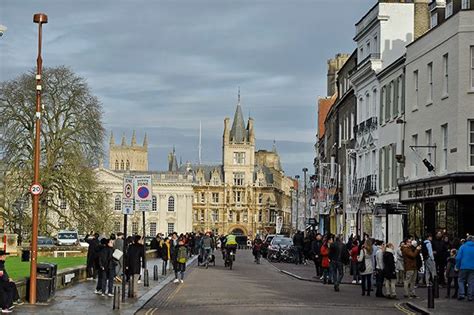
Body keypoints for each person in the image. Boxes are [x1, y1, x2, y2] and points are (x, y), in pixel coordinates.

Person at [455, 235, 474, 301]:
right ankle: (470, 296)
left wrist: (457, 266)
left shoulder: (462, 247)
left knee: (460, 280)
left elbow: (458, 258)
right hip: (472, 268)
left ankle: (462, 294)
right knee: (471, 282)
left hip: (463, 267)